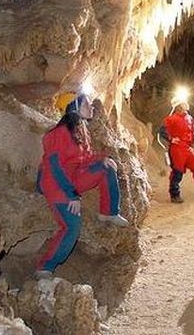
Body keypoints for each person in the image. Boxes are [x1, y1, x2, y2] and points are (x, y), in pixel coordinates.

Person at [34, 92, 128, 279]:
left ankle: (109, 212)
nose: (91, 107)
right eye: (87, 105)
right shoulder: (58, 134)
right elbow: (55, 167)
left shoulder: (80, 130)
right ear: (74, 107)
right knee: (72, 226)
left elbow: (86, 157)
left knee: (106, 168)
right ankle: (45, 267)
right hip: (56, 183)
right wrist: (71, 195)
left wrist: (103, 158)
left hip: (74, 178)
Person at [159, 94, 194, 203]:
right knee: (177, 171)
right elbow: (162, 131)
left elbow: (192, 131)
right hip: (177, 149)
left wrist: (191, 145)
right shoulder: (171, 119)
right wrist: (171, 139)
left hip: (187, 148)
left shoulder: (189, 118)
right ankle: (175, 195)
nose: (186, 104)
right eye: (183, 103)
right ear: (178, 106)